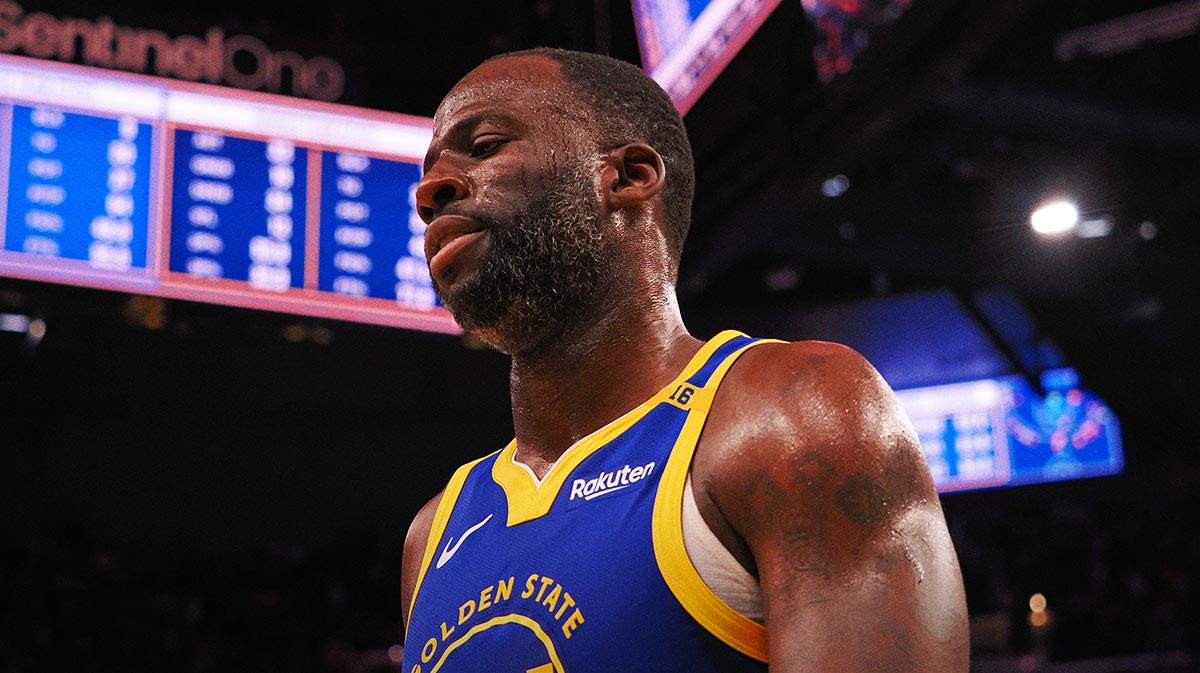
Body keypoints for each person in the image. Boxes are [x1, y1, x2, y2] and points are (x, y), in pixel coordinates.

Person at [400, 47, 969, 672]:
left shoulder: (792, 412)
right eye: (429, 171)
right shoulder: (433, 535)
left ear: (630, 176)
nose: (430, 191)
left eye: (483, 146)